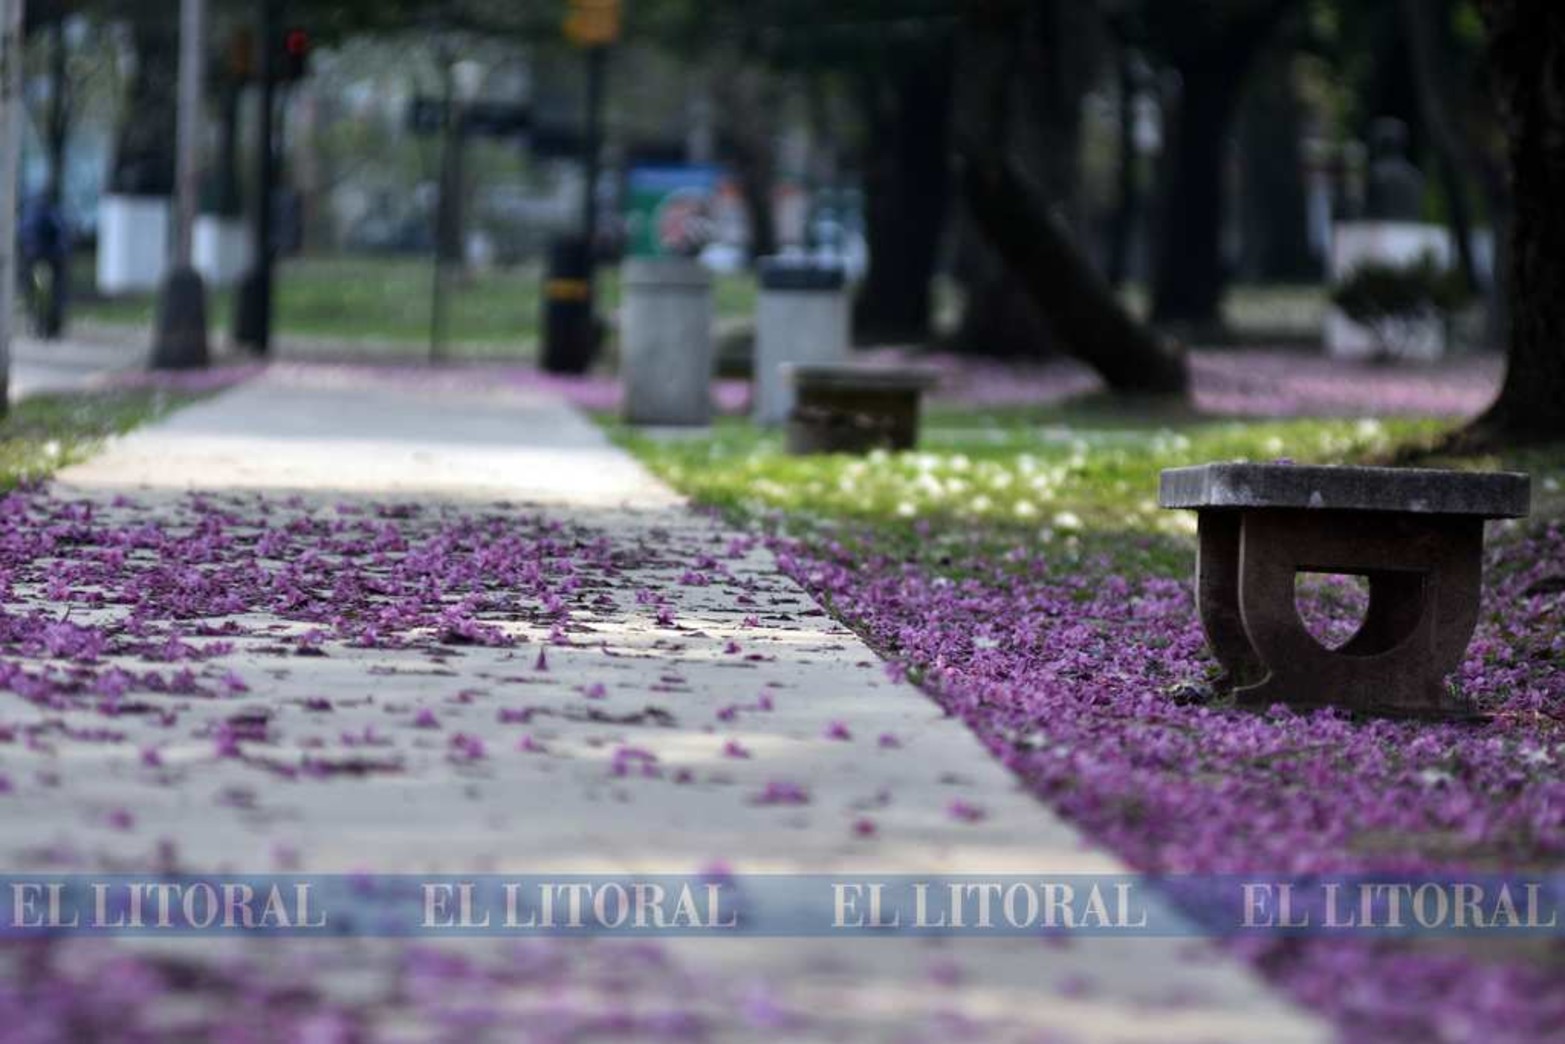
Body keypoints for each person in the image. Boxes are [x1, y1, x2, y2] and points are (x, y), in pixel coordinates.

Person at [19, 192, 69, 338]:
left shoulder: (28, 214)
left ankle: (35, 318)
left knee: (33, 290)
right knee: (57, 291)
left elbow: (22, 234)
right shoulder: (53, 213)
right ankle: (52, 325)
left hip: (33, 257)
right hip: (53, 257)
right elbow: (62, 234)